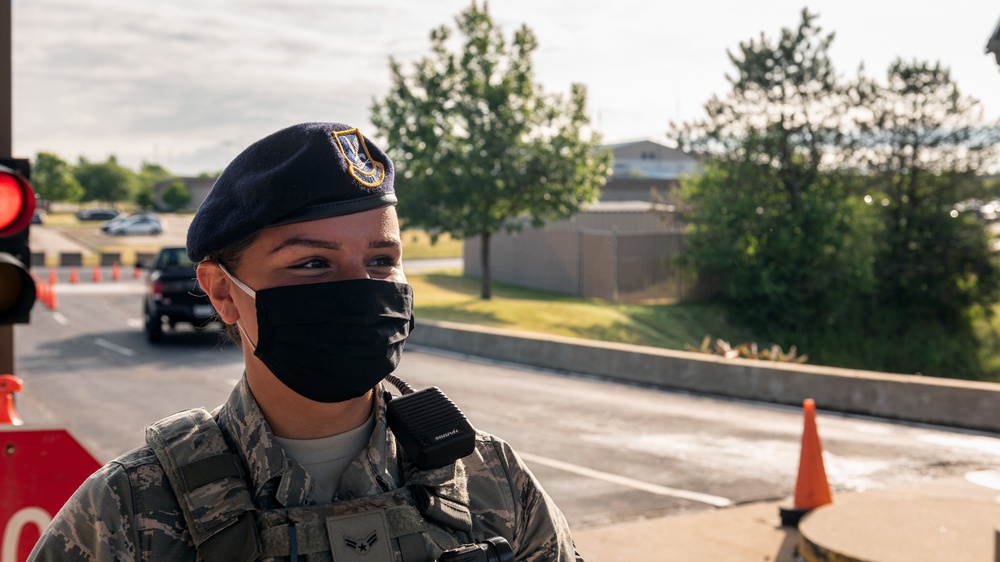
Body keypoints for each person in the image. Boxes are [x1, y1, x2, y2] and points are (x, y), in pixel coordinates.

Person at [29, 122, 582, 562]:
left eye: (381, 261)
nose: (359, 289)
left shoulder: (490, 479)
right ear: (222, 290)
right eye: (312, 263)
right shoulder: (130, 513)